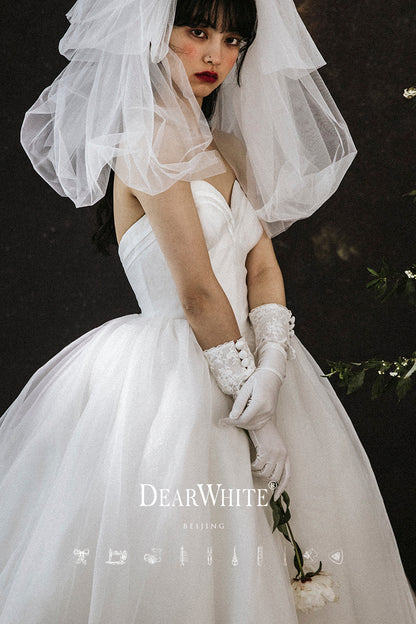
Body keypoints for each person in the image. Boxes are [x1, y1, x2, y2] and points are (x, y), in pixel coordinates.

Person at [1, 0, 415, 622]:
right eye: (197, 32)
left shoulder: (229, 150)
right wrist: (254, 406)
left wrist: (272, 367)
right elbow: (196, 291)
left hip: (257, 360)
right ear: (156, 35)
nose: (216, 54)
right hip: (175, 372)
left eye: (233, 40)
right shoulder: (143, 141)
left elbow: (262, 268)